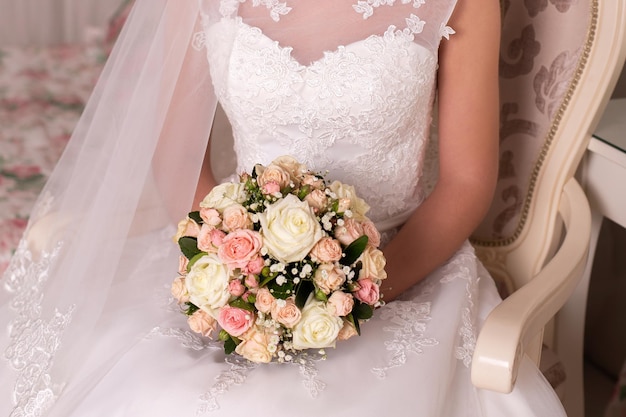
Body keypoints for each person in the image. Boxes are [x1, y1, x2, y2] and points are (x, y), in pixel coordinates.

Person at [0, 0, 568, 416]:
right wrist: (228, 271)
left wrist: (348, 293)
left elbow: (466, 182)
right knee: (147, 391)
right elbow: (178, 159)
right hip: (233, 264)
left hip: (399, 268)